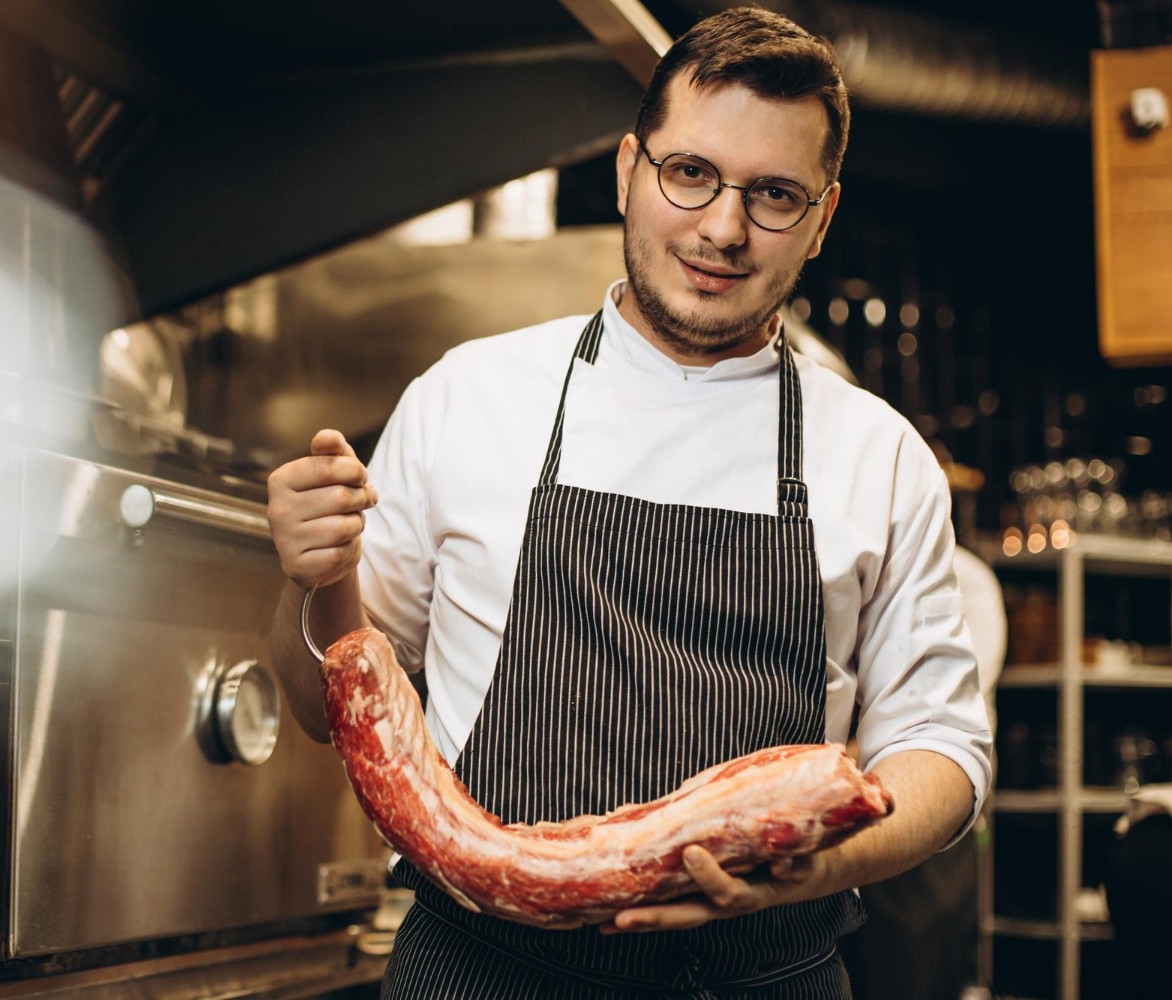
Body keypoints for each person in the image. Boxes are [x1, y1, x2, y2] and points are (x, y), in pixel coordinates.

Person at [266, 7, 993, 998]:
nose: (724, 228)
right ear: (627, 171)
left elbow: (941, 750)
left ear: (822, 218)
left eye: (774, 194)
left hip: (764, 974)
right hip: (484, 973)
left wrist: (814, 868)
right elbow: (329, 708)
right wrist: (316, 582)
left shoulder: (880, 456)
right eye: (690, 173)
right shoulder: (466, 398)